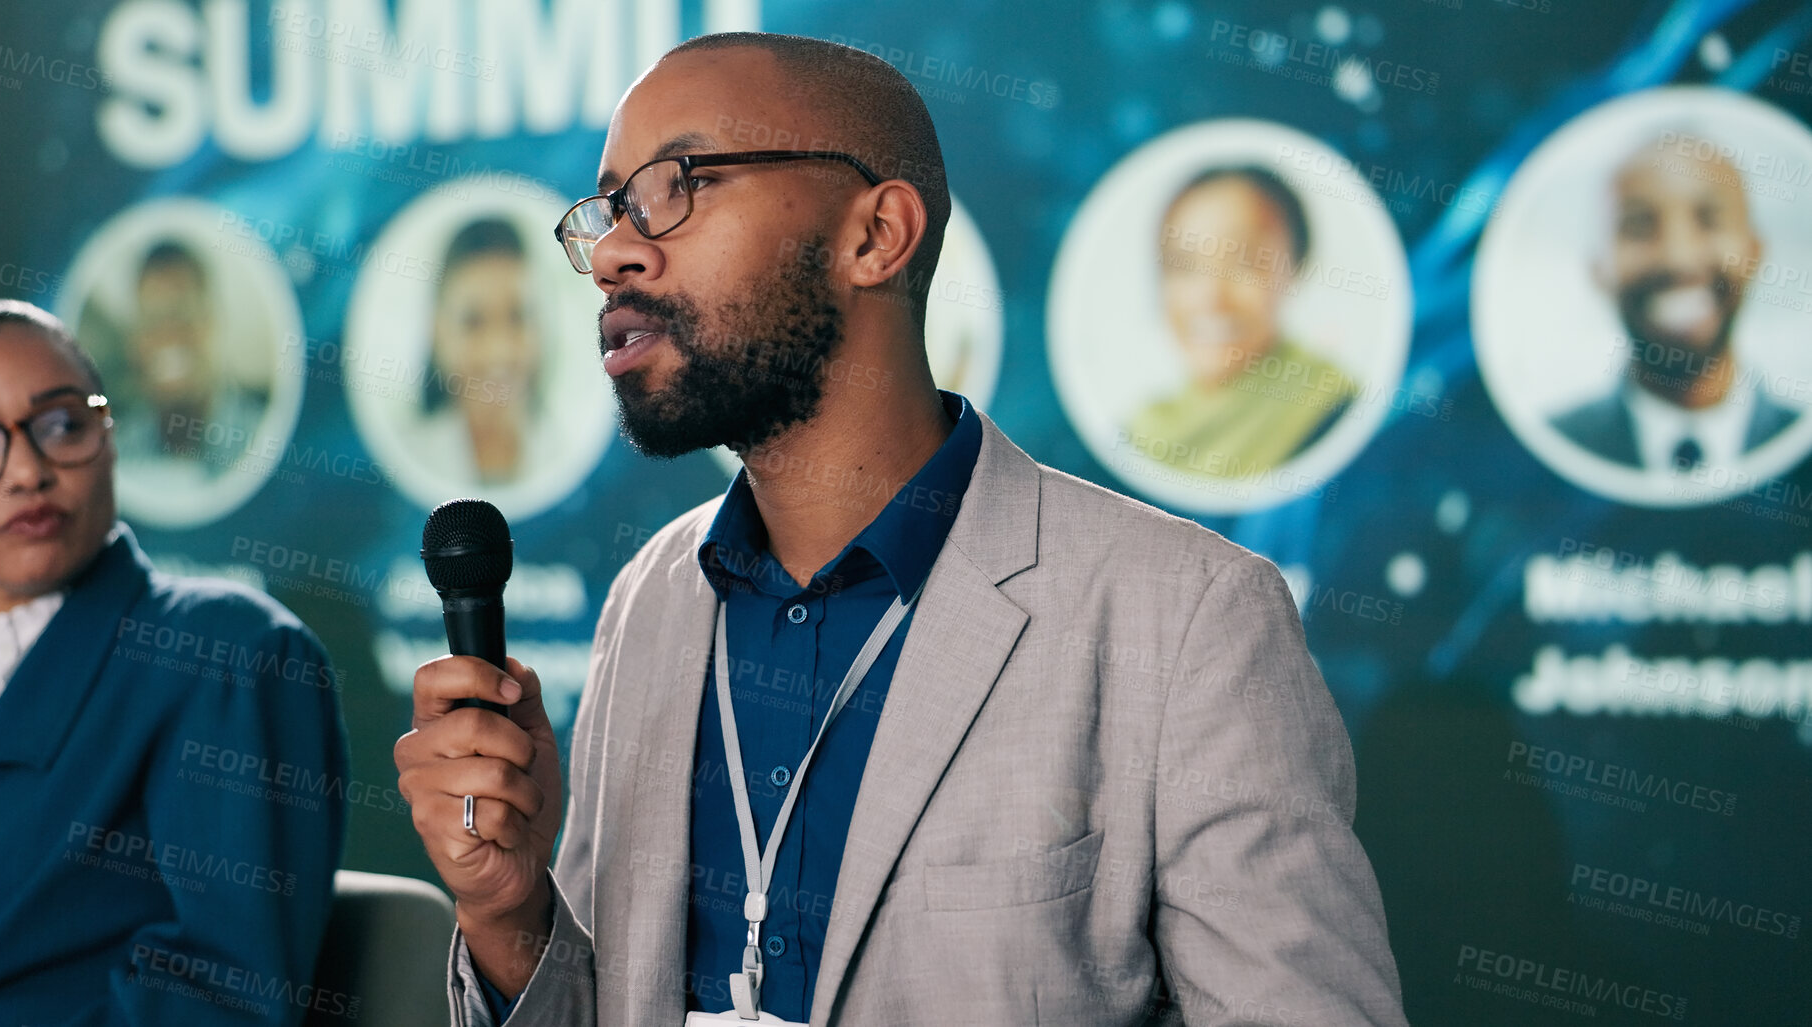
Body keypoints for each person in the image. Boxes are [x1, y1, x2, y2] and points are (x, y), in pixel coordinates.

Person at [394, 33, 1406, 1027]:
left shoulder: (1183, 618)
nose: (613, 251)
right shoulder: (651, 597)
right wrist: (509, 912)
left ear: (876, 236)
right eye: (607, 209)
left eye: (676, 184)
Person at [0, 299, 348, 1026]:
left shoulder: (224, 650)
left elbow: (220, 999)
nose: (26, 469)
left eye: (61, 424)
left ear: (108, 435)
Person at [1551, 133, 1798, 473]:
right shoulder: (1557, 447)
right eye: (1638, 226)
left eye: (1709, 220)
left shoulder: (1798, 441)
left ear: (1753, 253)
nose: (1677, 259)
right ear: (1599, 269)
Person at [1127, 165, 1357, 478]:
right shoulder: (1137, 437)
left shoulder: (1336, 414)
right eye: (1184, 265)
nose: (1210, 298)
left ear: (1293, 268)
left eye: (1243, 262)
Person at [114, 239, 270, 478]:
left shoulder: (263, 434)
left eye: (183, 312)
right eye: (151, 319)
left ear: (212, 322)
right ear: (135, 342)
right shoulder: (117, 453)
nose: (166, 334)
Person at [415, 217, 543, 484]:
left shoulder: (564, 453)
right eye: (472, 321)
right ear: (438, 332)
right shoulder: (413, 460)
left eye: (517, 316)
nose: (499, 350)